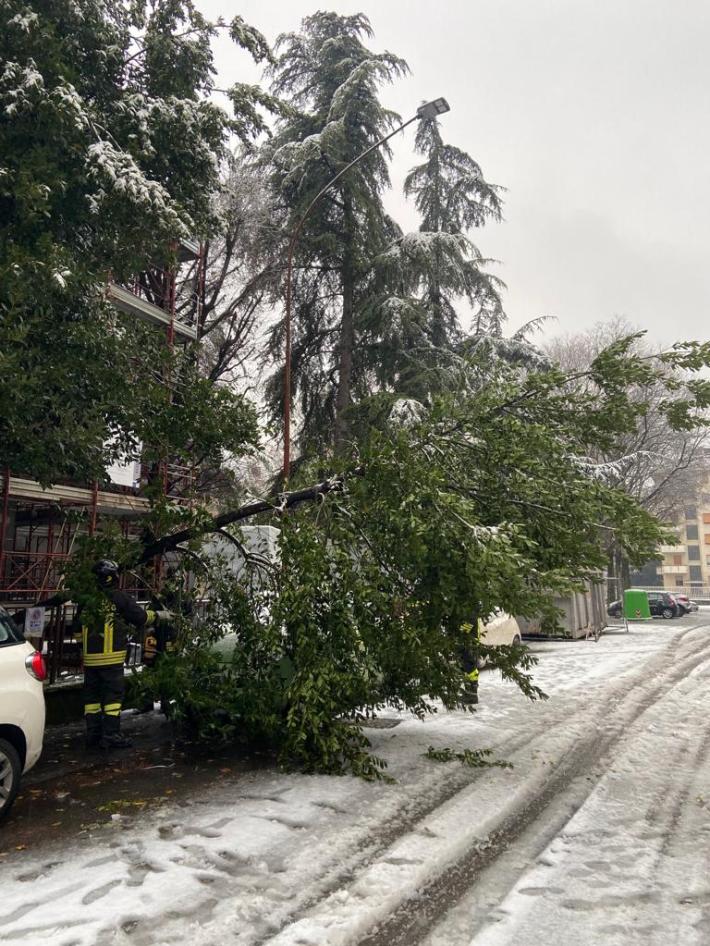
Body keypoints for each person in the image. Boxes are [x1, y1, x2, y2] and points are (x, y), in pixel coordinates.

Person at [76, 560, 172, 749]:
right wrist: (160, 615)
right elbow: (141, 617)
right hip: (112, 660)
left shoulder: (85, 601)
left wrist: (84, 649)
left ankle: (93, 733)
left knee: (92, 700)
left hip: (90, 661)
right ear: (112, 578)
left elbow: (76, 629)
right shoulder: (119, 598)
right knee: (112, 699)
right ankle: (111, 734)